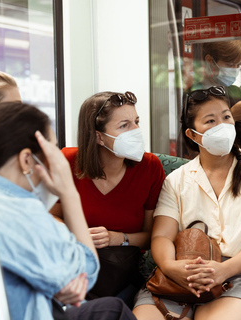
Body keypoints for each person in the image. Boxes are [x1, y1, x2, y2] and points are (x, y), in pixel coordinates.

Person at [0, 101, 136, 320]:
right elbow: (85, 271)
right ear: (26, 160)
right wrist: (69, 193)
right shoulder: (22, 213)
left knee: (109, 309)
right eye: (53, 152)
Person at [133, 86, 241, 320]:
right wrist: (171, 267)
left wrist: (223, 270)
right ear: (192, 135)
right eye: (210, 121)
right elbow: (162, 236)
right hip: (181, 272)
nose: (221, 126)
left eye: (226, 117)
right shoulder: (176, 181)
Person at [50, 91, 165, 305]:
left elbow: (152, 236)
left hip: (121, 276)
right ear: (98, 136)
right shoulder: (67, 161)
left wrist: (117, 238)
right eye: (124, 125)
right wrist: (77, 233)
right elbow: (48, 219)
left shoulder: (150, 167)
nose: (136, 131)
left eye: (136, 122)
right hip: (72, 268)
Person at [192, 40, 241, 152]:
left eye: (238, 65)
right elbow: (197, 140)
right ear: (210, 61)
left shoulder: (236, 91)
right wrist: (232, 115)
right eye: (230, 65)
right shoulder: (196, 94)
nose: (235, 70)